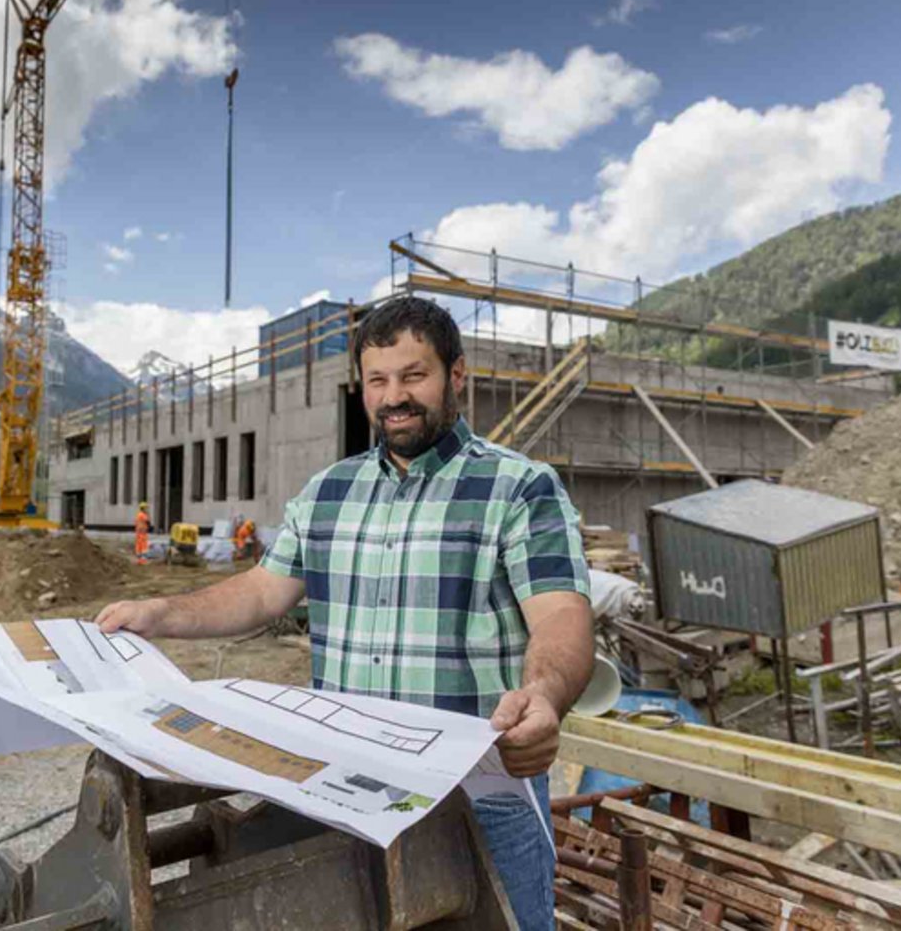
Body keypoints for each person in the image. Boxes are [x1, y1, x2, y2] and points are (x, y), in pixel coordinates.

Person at [97, 295, 593, 929]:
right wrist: (157, 612)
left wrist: (545, 696)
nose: (394, 397)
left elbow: (561, 615)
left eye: (414, 376)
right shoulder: (329, 492)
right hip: (348, 795)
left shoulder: (518, 487)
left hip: (479, 799)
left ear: (457, 375)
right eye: (378, 381)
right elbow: (259, 591)